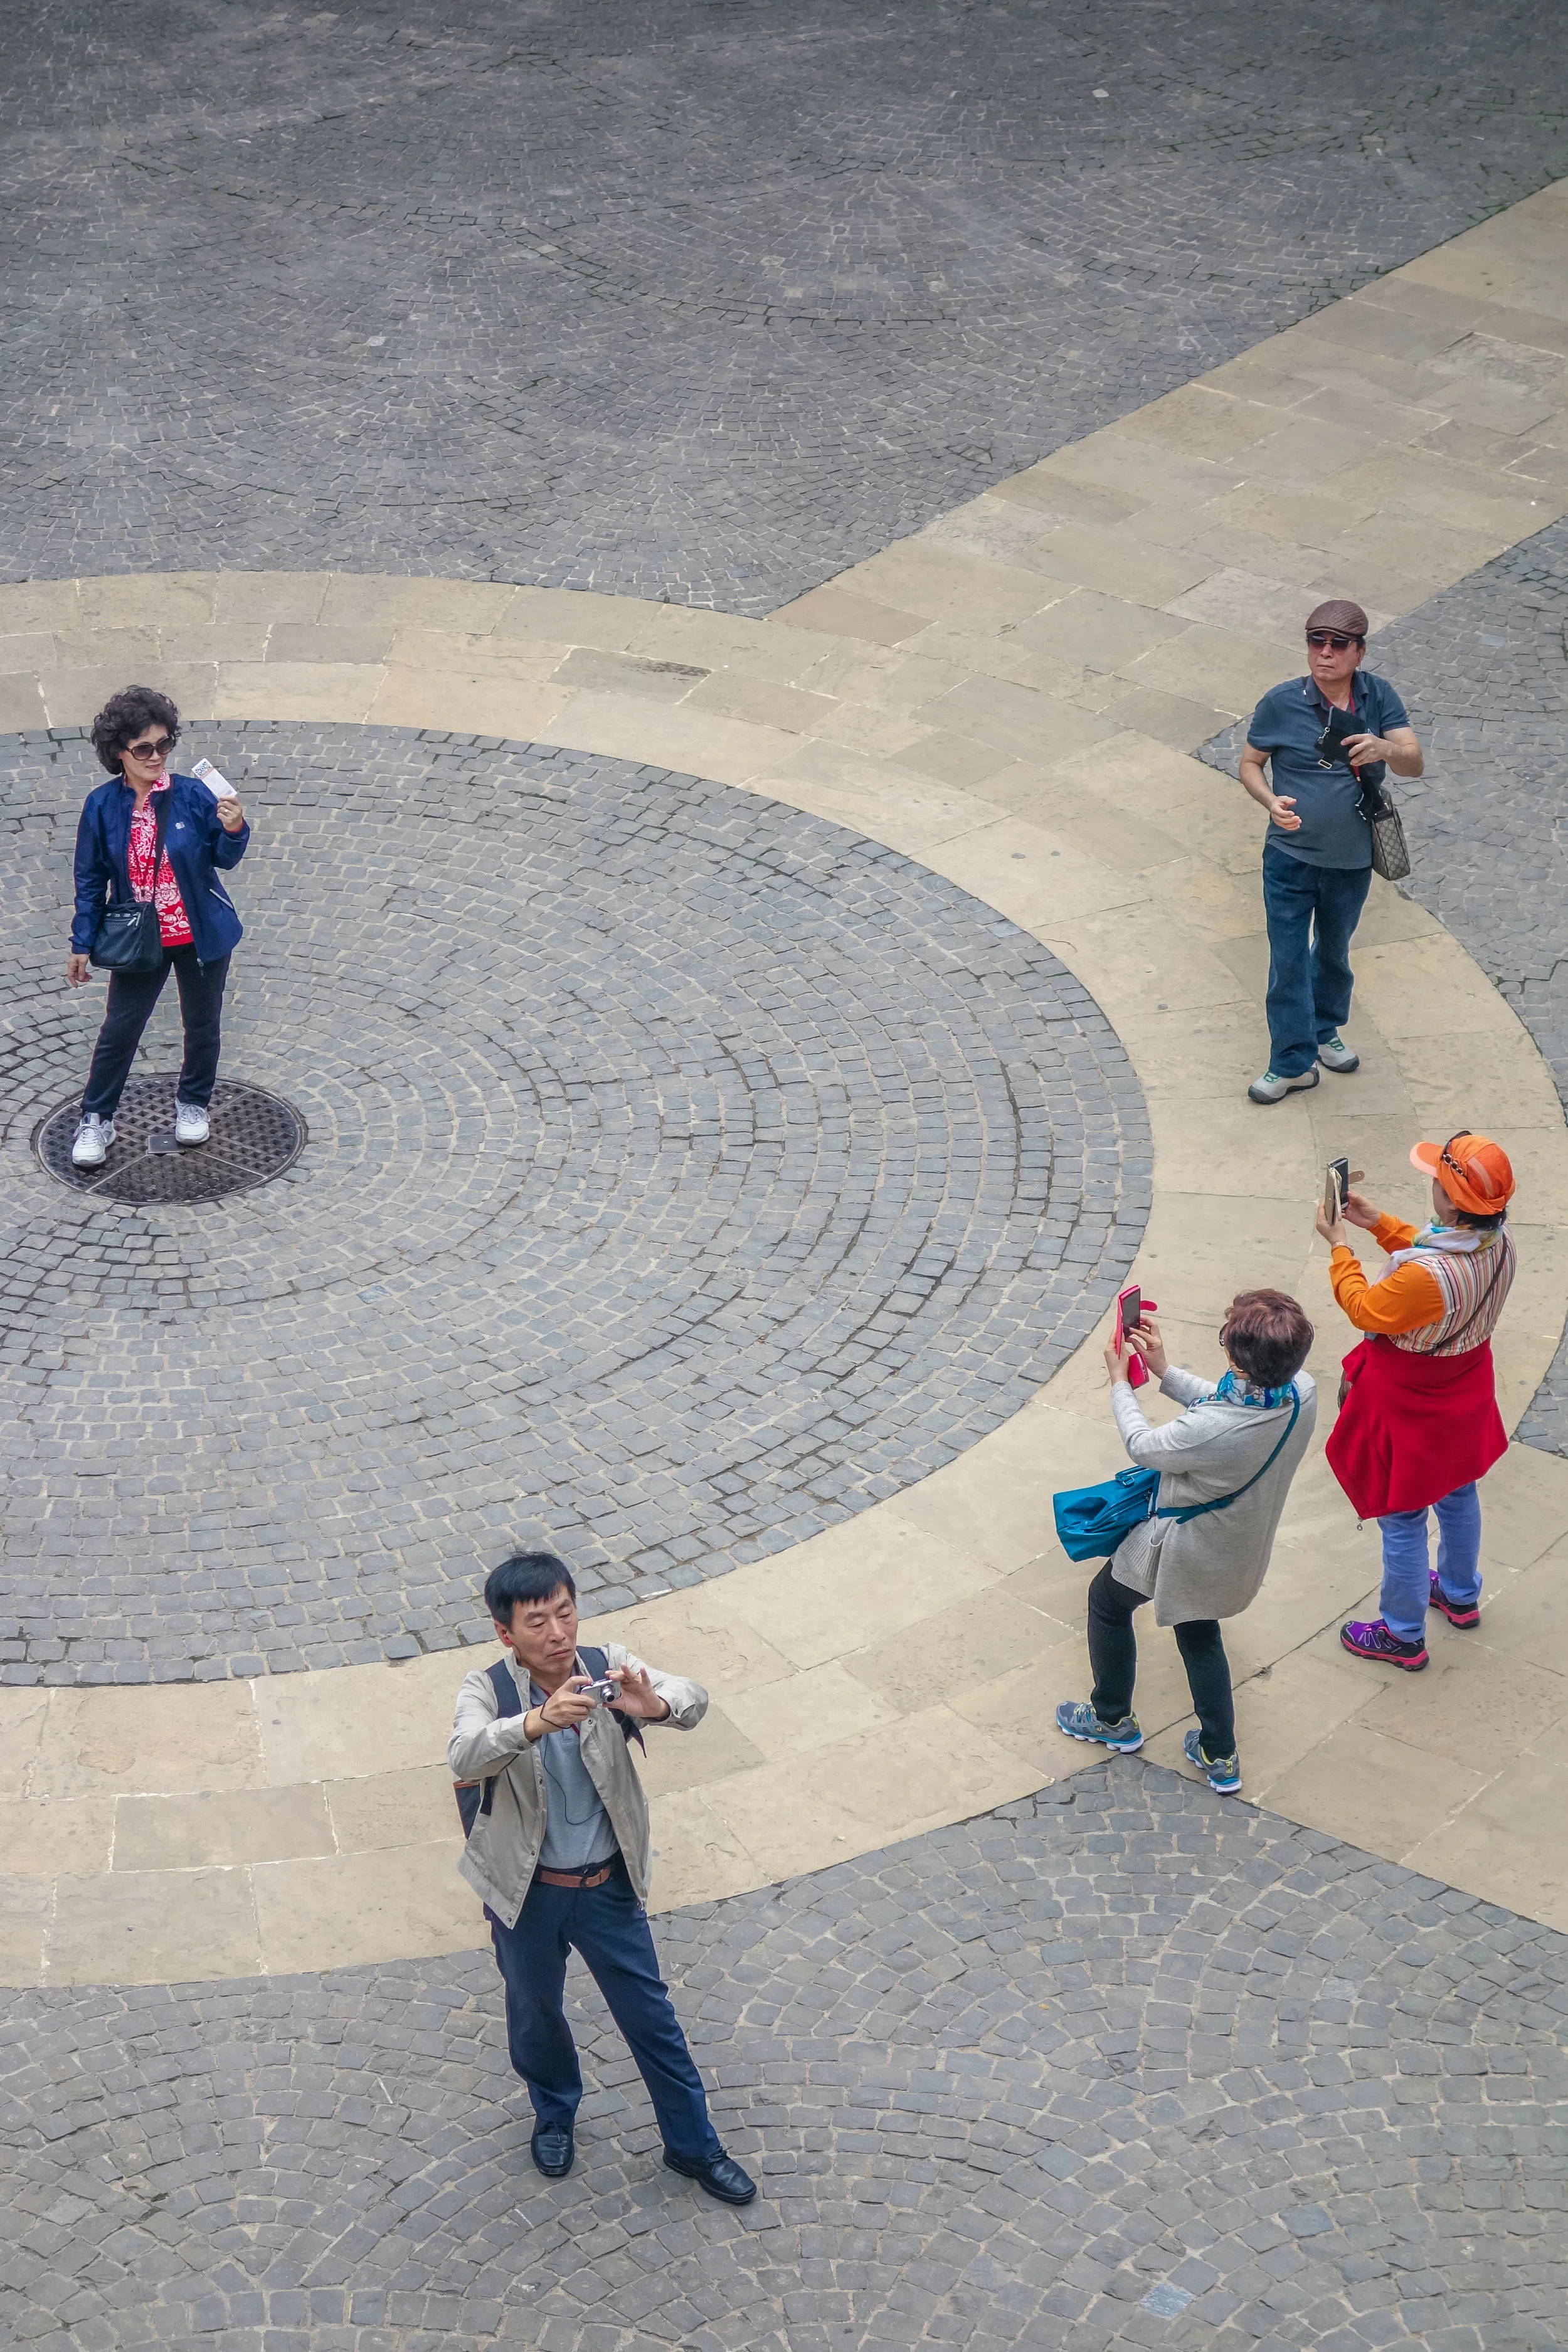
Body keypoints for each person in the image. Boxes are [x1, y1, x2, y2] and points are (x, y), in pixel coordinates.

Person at [448, 1550, 757, 2204]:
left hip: (606, 1888)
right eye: (537, 1622)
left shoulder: (605, 1666)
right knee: (534, 2013)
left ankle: (694, 2146)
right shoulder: (488, 1691)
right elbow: (464, 1752)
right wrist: (536, 1722)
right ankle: (555, 2110)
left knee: (652, 2019)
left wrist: (657, 1704)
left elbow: (692, 1696)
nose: (558, 1633)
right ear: (506, 1633)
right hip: (527, 1894)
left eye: (565, 1612)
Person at [1056, 1292, 1317, 1794]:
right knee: (1199, 1633)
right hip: (1238, 1543)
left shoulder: (1213, 1431)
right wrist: (1165, 1371)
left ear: (1239, 1359)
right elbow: (1221, 1406)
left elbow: (1146, 1446)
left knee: (1107, 1604)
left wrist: (1119, 1383)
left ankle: (1112, 1719)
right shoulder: (1299, 1391)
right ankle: (1220, 1754)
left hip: (1187, 1545)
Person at [1320, 1133, 1517, 1670]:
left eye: (1438, 1181)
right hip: (1465, 1389)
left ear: (1453, 1203)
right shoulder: (1497, 1243)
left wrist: (1340, 1245)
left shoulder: (1427, 1279)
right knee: (1458, 1493)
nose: (1431, 1185)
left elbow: (1367, 1307)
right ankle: (1459, 1592)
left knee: (1403, 1517)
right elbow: (1424, 1257)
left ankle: (1403, 1634)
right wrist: (1379, 1223)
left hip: (1413, 1404)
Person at [1238, 600, 1423, 1106]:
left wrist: (1384, 749)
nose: (1324, 652)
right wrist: (1269, 800)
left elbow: (1414, 763)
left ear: (1359, 651)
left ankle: (1325, 1030)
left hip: (1350, 859)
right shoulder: (1281, 702)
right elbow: (1251, 763)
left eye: (1338, 644)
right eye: (1316, 641)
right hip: (1289, 857)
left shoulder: (1378, 696)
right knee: (1289, 959)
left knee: (1335, 952)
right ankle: (1291, 1064)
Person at [68, 686, 250, 1167]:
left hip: (201, 935)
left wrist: (234, 829)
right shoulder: (103, 805)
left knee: (203, 1025)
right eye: (144, 748)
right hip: (140, 939)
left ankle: (193, 1104)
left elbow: (223, 860)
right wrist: (81, 942)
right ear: (119, 753)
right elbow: (90, 879)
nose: (156, 756)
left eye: (164, 745)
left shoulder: (192, 796)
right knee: (120, 1029)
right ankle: (97, 1119)